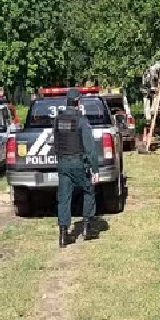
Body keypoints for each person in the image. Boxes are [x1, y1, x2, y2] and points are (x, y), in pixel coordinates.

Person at [53, 88, 99, 248]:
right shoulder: (81, 121)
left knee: (64, 197)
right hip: (77, 163)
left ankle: (63, 234)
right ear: (78, 102)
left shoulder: (57, 120)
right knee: (89, 189)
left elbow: (57, 142)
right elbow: (90, 149)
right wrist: (95, 170)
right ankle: (87, 227)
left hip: (62, 163)